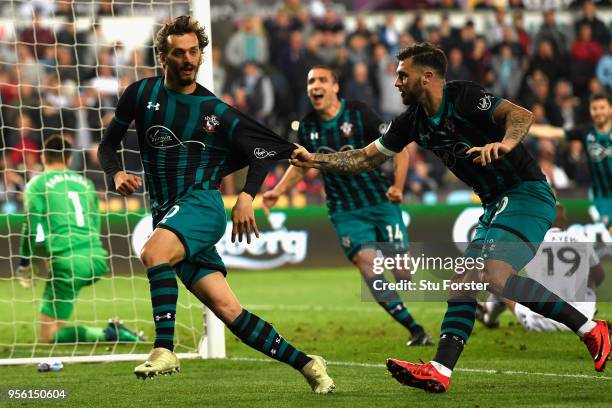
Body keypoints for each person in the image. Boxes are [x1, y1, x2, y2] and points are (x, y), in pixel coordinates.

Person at [290, 42, 610, 393]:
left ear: (426, 77)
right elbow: (365, 158)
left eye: (402, 75)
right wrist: (313, 160)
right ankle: (440, 370)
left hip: (525, 193)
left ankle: (591, 329)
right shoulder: (411, 121)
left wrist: (504, 144)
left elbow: (522, 116)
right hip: (495, 204)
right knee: (463, 285)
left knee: (492, 276)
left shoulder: (464, 97)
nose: (396, 83)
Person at [96, 16, 334, 393]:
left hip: (202, 206)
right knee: (229, 311)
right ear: (163, 56)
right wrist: (115, 174)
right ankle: (307, 364)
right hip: (169, 212)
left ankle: (164, 348)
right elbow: (107, 145)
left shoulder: (214, 110)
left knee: (153, 253)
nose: (188, 59)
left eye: (194, 52)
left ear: (202, 55)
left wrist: (245, 196)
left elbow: (263, 149)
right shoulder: (140, 95)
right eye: (179, 53)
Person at [263, 65, 433, 347]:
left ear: (335, 87)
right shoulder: (307, 127)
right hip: (345, 211)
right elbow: (303, 167)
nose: (315, 86)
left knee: (404, 274)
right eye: (310, 81)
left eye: (321, 80)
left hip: (380, 201)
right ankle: (415, 329)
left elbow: (397, 146)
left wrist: (398, 187)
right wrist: (277, 191)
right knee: (368, 266)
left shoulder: (359, 113)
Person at [17, 135, 144, 344]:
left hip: (68, 264)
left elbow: (32, 228)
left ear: (42, 158)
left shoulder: (36, 185)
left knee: (49, 335)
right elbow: (95, 222)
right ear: (68, 159)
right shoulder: (85, 183)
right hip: (97, 259)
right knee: (58, 320)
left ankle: (109, 334)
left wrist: (25, 262)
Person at [477, 203, 605, 331]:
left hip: (540, 321)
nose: (566, 219)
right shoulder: (580, 238)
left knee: (500, 281)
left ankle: (488, 317)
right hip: (582, 321)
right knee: (587, 282)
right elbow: (599, 276)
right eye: (563, 217)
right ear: (561, 221)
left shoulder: (531, 240)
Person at [529, 94, 612, 235]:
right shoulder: (587, 132)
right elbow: (553, 132)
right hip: (603, 197)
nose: (598, 112)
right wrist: (526, 127)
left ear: (610, 109)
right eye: (595, 108)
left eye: (602, 108)